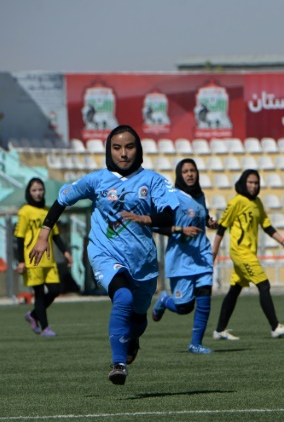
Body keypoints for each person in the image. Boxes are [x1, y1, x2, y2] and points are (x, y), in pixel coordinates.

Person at [29, 125, 178, 385]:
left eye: (129, 147)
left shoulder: (153, 180)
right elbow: (62, 200)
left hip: (142, 262)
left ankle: (132, 338)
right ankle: (118, 364)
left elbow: (168, 214)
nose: (123, 153)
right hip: (104, 253)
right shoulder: (97, 180)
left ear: (138, 149)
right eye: (117, 147)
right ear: (109, 150)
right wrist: (44, 234)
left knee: (138, 319)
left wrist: (146, 218)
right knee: (123, 296)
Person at [211, 169, 284, 341]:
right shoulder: (236, 202)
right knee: (263, 285)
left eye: (256, 183)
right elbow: (222, 227)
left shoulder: (257, 202)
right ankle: (275, 327)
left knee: (235, 289)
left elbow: (267, 227)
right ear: (243, 183)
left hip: (249, 253)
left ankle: (220, 330)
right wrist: (213, 252)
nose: (253, 185)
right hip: (240, 252)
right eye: (250, 182)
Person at [151, 159, 217, 354]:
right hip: (180, 259)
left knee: (205, 296)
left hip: (202, 255)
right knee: (184, 307)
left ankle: (195, 344)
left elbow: (201, 217)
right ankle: (164, 300)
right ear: (179, 175)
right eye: (185, 171)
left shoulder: (200, 196)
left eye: (193, 170)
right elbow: (155, 224)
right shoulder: (172, 198)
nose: (190, 174)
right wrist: (181, 229)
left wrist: (210, 222)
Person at [15, 178, 73, 337]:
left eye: (40, 189)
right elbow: (19, 237)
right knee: (39, 293)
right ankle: (45, 328)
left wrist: (66, 252)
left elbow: (55, 235)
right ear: (29, 192)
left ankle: (33, 315)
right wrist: (21, 261)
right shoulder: (25, 211)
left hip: (48, 258)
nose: (38, 193)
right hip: (32, 258)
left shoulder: (48, 210)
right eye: (34, 190)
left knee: (55, 290)